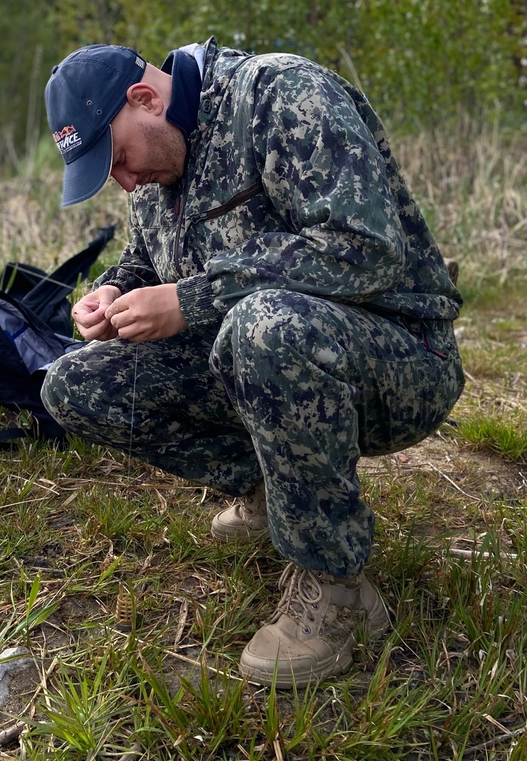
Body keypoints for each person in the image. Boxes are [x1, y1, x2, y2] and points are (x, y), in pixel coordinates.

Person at [41, 39, 464, 687]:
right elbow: (148, 262)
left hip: (399, 355)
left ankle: (334, 586)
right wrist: (115, 293)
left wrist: (192, 299)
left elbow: (363, 248)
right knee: (76, 382)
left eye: (119, 158)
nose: (123, 181)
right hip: (263, 356)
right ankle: (281, 491)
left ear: (146, 99)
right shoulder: (159, 170)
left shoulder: (281, 95)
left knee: (264, 326)